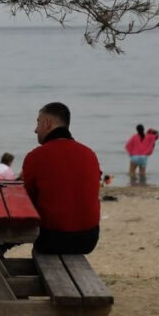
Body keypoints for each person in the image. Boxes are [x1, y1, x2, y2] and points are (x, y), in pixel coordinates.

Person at [20, 102, 102, 254]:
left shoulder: (36, 156)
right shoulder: (89, 154)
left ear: (48, 123)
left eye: (38, 123)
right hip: (88, 239)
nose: (35, 130)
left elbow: (27, 201)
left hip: (52, 240)